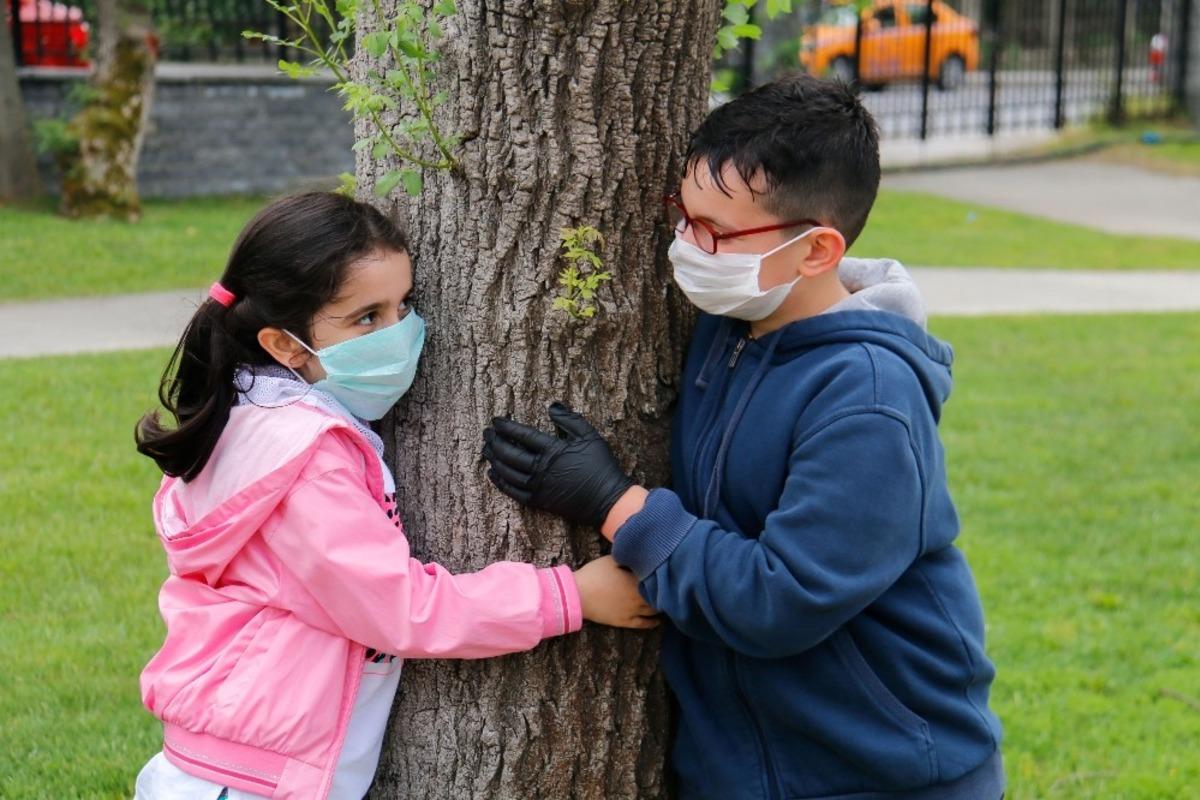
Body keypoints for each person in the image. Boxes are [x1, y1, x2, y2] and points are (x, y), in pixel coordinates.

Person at [482, 76, 1005, 799]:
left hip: (880, 774)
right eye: (683, 217)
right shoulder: (729, 329)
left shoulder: (869, 400)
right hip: (739, 772)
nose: (688, 247)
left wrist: (615, 503)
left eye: (717, 233)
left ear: (818, 251)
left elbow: (778, 599)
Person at [132, 192, 657, 800]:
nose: (400, 332)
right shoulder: (307, 459)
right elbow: (399, 607)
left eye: (404, 305)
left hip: (234, 769)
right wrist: (568, 595)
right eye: (366, 318)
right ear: (283, 344)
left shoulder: (250, 414)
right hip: (251, 784)